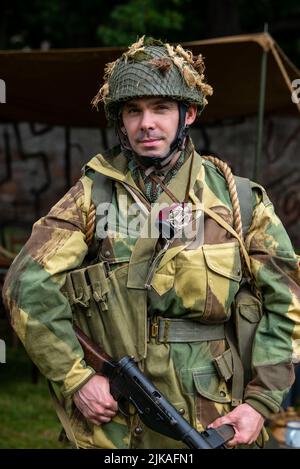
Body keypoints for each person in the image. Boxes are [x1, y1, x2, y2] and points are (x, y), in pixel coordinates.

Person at [3, 36, 300, 449]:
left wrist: (259, 403)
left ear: (188, 113)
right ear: (120, 121)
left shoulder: (241, 203)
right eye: (133, 111)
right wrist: (77, 379)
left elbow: (287, 303)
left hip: (213, 418)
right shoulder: (93, 197)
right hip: (116, 423)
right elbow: (25, 284)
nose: (146, 123)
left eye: (161, 109)